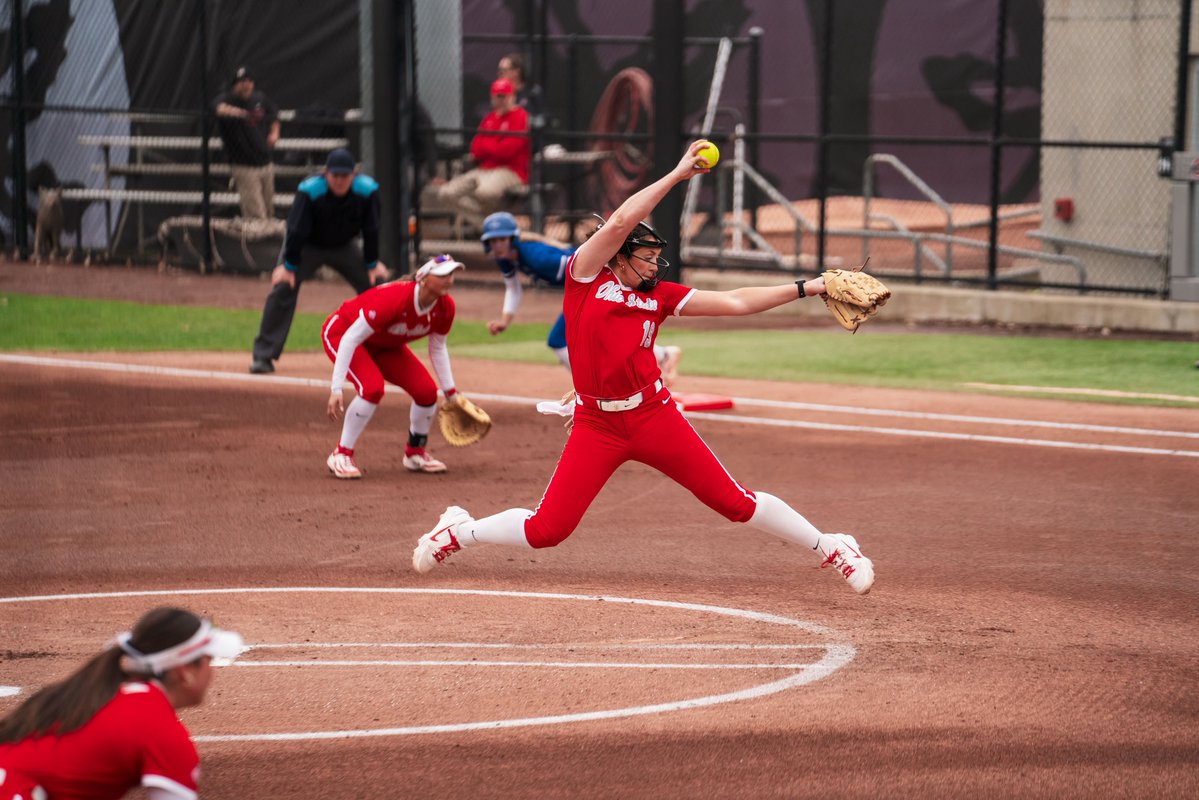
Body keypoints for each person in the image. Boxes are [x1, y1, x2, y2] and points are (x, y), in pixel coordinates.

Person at [413, 141, 875, 595]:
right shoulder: (585, 277)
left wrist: (807, 287)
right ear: (618, 256)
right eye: (647, 257)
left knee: (733, 502)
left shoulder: (659, 296)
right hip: (597, 423)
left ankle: (832, 547)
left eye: (658, 258)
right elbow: (619, 222)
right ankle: (458, 531)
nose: (656, 265)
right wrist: (677, 175)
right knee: (546, 530)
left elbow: (736, 301)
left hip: (653, 415)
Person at [0, 607, 243, 799]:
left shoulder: (102, 691)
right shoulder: (162, 731)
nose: (211, 672)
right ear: (185, 671)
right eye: (208, 661)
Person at [480, 211, 683, 384]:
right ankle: (663, 355)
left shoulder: (537, 257)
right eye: (493, 240)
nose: (498, 245)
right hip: (583, 289)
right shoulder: (506, 259)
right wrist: (505, 321)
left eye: (502, 239)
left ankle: (588, 387)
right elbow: (513, 288)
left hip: (594, 282)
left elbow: (583, 262)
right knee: (598, 334)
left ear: (512, 238)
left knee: (559, 340)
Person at [323, 254, 468, 478]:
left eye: (451, 274)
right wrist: (336, 388)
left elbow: (437, 348)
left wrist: (451, 392)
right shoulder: (395, 298)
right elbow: (351, 338)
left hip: (385, 344)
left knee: (427, 392)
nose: (448, 279)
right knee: (372, 388)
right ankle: (340, 454)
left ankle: (415, 453)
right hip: (342, 334)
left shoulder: (445, 307)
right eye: (442, 274)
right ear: (423, 279)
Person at [250, 148, 389, 374]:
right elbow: (296, 229)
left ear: (354, 174)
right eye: (335, 175)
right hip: (307, 245)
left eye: (345, 176)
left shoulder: (368, 190)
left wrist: (372, 264)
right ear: (326, 173)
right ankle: (263, 356)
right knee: (284, 286)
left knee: (377, 287)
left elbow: (372, 228)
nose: (340, 181)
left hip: (344, 246)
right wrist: (289, 266)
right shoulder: (310, 190)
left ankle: (382, 353)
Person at [426, 78, 529, 230]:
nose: (500, 100)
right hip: (484, 170)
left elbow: (507, 151)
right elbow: (475, 148)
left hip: (510, 171)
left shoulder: (520, 116)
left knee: (485, 192)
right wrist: (496, 145)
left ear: (512, 97)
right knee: (446, 193)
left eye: (504, 96)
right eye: (497, 96)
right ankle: (490, 226)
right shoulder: (490, 119)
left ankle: (493, 228)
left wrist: (489, 146)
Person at [213, 66, 280, 219]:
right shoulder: (227, 99)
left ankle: (269, 241)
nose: (246, 85)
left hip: (266, 163)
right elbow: (217, 108)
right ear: (234, 85)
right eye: (242, 82)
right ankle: (257, 242)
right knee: (255, 215)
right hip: (245, 166)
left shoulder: (259, 98)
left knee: (270, 211)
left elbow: (274, 113)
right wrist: (242, 114)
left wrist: (275, 133)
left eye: (249, 81)